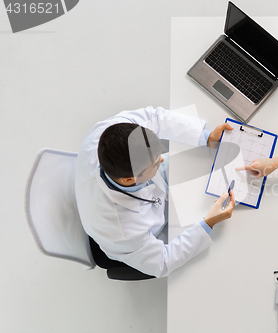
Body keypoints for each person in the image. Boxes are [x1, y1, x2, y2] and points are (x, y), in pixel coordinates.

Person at [75, 106, 235, 278]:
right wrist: (209, 222)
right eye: (155, 164)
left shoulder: (107, 132)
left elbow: (155, 118)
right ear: (129, 180)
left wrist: (206, 136)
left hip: (156, 194)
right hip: (139, 244)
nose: (162, 159)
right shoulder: (124, 230)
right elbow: (163, 263)